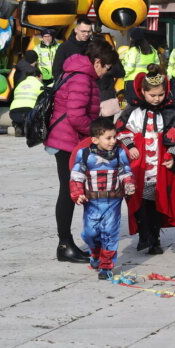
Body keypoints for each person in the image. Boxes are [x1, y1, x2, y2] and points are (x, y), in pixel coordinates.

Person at [46, 43, 119, 264]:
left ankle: (68, 243)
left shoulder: (80, 74)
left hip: (68, 139)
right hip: (66, 141)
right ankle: (64, 245)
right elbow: (76, 116)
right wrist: (98, 133)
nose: (106, 72)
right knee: (68, 191)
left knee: (71, 189)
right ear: (97, 62)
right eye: (106, 67)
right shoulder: (81, 78)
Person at [116, 66, 175, 255]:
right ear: (143, 91)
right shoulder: (133, 111)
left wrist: (173, 155)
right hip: (138, 164)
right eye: (152, 95)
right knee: (138, 199)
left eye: (161, 95)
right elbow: (121, 130)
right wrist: (130, 145)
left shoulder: (171, 111)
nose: (157, 99)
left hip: (160, 166)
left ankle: (155, 238)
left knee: (157, 201)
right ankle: (143, 234)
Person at [69, 117, 136, 279]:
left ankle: (106, 265)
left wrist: (128, 184)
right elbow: (76, 175)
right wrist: (77, 193)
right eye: (108, 138)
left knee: (110, 232)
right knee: (90, 233)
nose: (113, 141)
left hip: (113, 200)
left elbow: (125, 171)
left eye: (114, 137)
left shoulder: (120, 153)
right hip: (92, 201)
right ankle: (96, 253)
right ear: (95, 139)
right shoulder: (84, 154)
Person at [119, 29, 160, 101]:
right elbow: (157, 65)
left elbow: (129, 68)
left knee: (133, 103)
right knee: (146, 102)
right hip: (148, 80)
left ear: (132, 39)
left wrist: (122, 75)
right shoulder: (152, 50)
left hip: (133, 81)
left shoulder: (134, 50)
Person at [9, 51, 43, 136]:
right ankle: (30, 128)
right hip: (29, 110)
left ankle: (18, 126)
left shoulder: (19, 68)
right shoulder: (33, 72)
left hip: (13, 110)